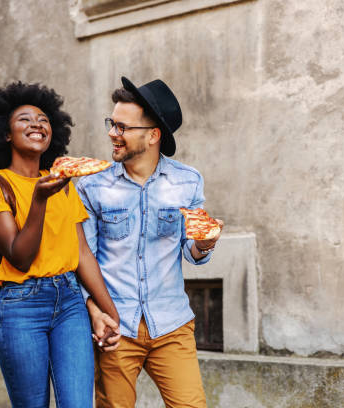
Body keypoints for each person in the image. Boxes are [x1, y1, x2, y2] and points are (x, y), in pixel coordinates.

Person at [0, 81, 121, 408]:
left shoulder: (64, 184)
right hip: (20, 306)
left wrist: (111, 313)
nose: (37, 124)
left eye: (43, 119)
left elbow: (82, 253)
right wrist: (39, 199)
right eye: (24, 119)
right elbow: (20, 256)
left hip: (69, 303)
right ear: (5, 133)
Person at [76, 76, 224, 408]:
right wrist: (95, 312)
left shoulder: (187, 181)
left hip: (171, 324)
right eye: (112, 124)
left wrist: (206, 243)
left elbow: (192, 249)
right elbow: (83, 257)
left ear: (153, 135)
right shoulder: (92, 186)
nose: (113, 133)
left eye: (123, 127)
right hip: (116, 327)